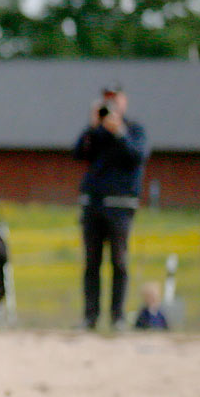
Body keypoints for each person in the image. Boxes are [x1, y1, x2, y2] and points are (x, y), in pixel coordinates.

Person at [72, 81, 149, 332]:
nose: (111, 104)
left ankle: (118, 317)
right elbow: (77, 154)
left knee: (119, 262)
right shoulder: (96, 134)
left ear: (124, 101)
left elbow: (137, 156)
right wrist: (92, 127)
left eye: (116, 99)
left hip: (120, 205)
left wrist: (120, 133)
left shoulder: (134, 130)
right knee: (91, 263)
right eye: (107, 99)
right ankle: (90, 317)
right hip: (93, 204)